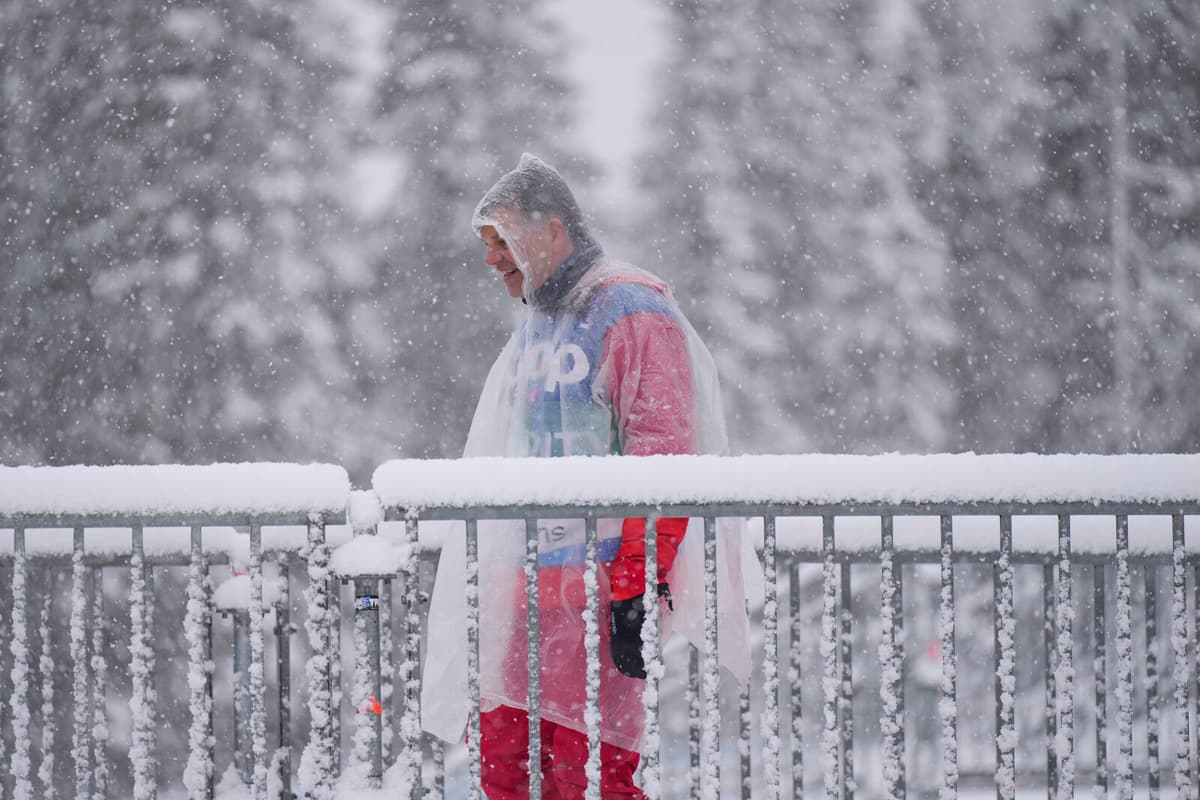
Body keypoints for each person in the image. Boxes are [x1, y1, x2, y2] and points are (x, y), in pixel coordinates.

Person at [419, 154, 753, 799]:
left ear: (551, 230)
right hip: (524, 588)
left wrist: (635, 585)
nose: (490, 258)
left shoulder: (629, 307)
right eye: (485, 243)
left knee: (591, 778)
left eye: (501, 238)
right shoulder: (541, 317)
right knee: (504, 770)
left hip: (599, 589)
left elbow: (663, 456)